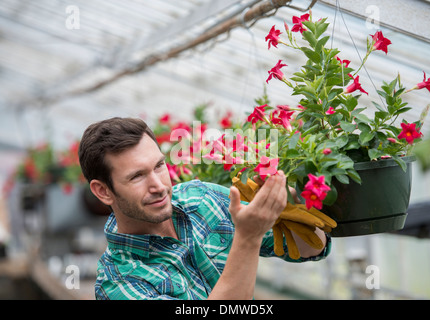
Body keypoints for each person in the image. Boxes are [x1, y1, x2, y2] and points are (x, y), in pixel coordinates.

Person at [78, 117, 331, 300]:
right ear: (103, 191)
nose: (159, 186)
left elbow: (312, 248)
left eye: (158, 166)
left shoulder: (202, 200)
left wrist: (288, 209)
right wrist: (248, 237)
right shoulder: (118, 283)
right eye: (137, 177)